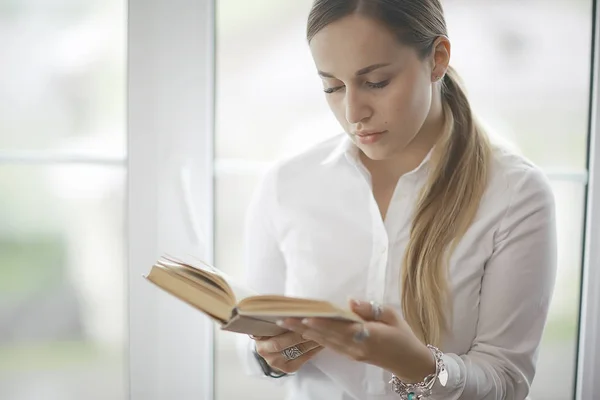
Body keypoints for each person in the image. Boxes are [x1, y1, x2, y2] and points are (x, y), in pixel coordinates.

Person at [237, 0, 557, 399]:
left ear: (437, 59)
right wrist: (268, 356)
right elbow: (251, 340)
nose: (353, 111)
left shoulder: (515, 195)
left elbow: (507, 383)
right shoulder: (287, 185)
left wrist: (418, 365)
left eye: (376, 82)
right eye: (332, 87)